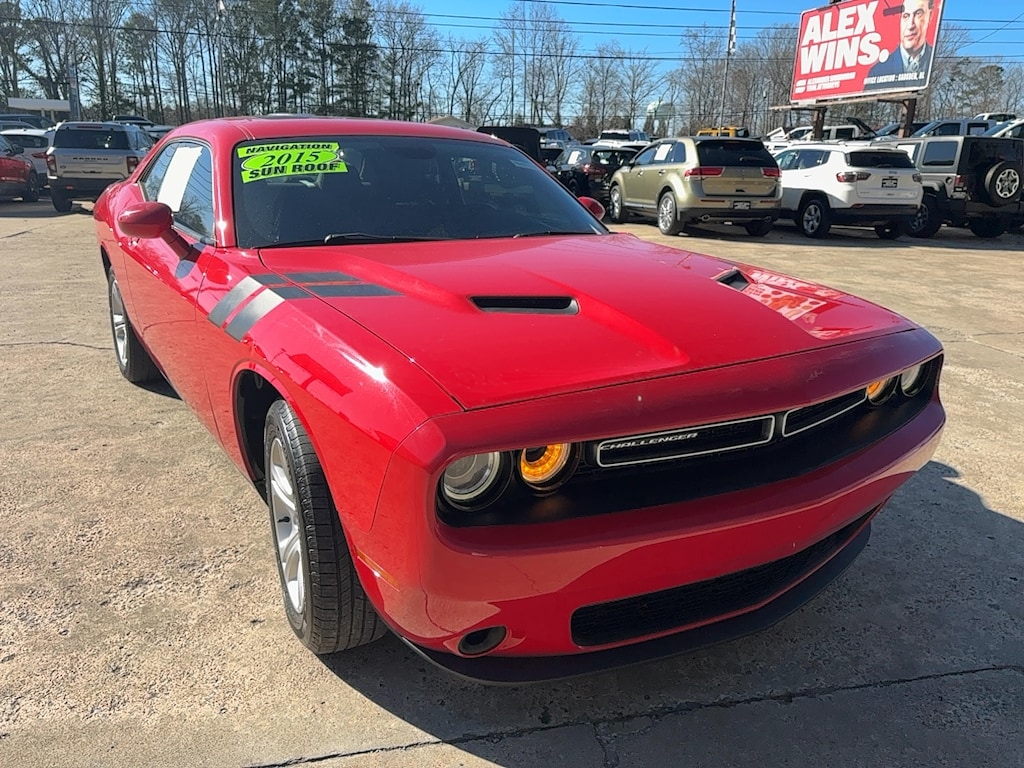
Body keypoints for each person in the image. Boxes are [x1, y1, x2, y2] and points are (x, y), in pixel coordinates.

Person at [864, 0, 934, 90]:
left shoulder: (937, 62)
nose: (910, 25)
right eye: (906, 16)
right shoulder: (877, 72)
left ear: (930, 15)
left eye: (918, 13)